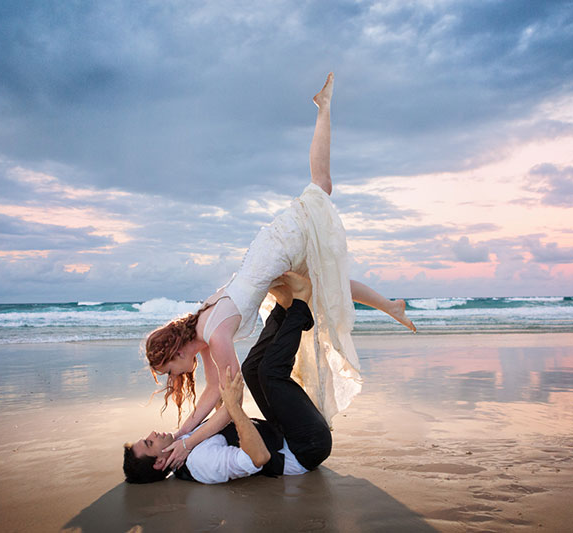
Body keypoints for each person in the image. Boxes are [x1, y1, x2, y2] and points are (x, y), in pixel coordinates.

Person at [145, 73, 416, 471]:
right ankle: (391, 306)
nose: (174, 376)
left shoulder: (216, 338)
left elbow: (230, 407)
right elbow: (212, 394)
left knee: (320, 187)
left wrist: (191, 443)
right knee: (324, 281)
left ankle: (323, 107)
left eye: (169, 368)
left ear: (175, 352)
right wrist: (184, 435)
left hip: (272, 255)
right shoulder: (202, 332)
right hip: (265, 263)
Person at [125, 274, 331, 484]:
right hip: (305, 448)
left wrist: (185, 433)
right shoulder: (201, 462)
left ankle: (283, 308)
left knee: (251, 370)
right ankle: (299, 306)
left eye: (168, 371)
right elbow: (259, 458)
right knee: (269, 372)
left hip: (284, 432)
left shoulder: (182, 443)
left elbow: (214, 387)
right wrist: (231, 408)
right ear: (160, 463)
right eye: (149, 443)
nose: (152, 433)